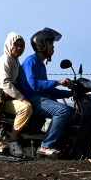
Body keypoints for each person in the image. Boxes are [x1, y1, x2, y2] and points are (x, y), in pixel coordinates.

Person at [17, 27, 74, 157]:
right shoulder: (31, 61)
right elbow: (34, 84)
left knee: (73, 112)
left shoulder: (41, 64)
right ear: (41, 44)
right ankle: (46, 145)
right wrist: (58, 82)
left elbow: (48, 89)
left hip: (41, 98)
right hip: (32, 98)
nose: (53, 47)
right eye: (50, 43)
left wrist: (69, 94)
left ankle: (61, 143)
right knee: (62, 110)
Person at [0, 32, 33, 157]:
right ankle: (13, 140)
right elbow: (5, 83)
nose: (19, 48)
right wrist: (22, 98)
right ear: (9, 45)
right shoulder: (5, 60)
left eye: (22, 46)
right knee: (25, 108)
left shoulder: (15, 60)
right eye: (16, 45)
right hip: (3, 97)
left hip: (11, 95)